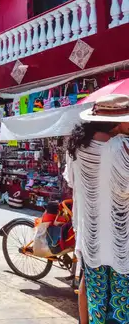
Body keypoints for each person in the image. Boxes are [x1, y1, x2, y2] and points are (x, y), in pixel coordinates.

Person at [65, 95, 129, 324]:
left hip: (92, 239)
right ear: (119, 122)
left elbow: (74, 184)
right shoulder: (121, 147)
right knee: (122, 304)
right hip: (122, 241)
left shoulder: (79, 147)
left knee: (96, 300)